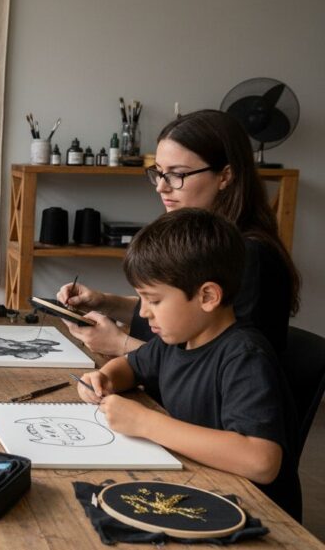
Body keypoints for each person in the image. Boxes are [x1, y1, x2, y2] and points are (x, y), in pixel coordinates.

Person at [77, 208, 300, 519]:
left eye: (154, 300)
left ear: (207, 296)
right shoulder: (178, 341)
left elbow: (261, 461)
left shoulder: (244, 357)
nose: (143, 313)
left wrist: (147, 423)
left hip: (251, 515)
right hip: (200, 490)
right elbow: (131, 366)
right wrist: (104, 377)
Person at [58, 109, 300, 357]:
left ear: (225, 175)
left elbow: (224, 368)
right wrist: (106, 302)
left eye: (176, 174)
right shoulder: (200, 241)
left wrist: (121, 345)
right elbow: (182, 315)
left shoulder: (251, 257)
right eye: (160, 172)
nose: (161, 187)